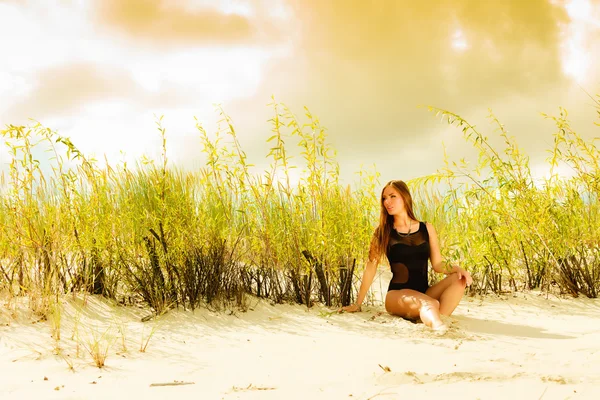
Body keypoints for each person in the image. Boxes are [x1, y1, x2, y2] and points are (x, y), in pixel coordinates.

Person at [340, 180, 472, 331]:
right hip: (397, 295)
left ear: (405, 197)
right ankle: (438, 325)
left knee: (459, 279)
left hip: (424, 292)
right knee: (430, 304)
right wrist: (358, 303)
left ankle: (432, 317)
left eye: (392, 196)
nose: (387, 202)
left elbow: (437, 265)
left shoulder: (426, 228)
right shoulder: (383, 232)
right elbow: (371, 268)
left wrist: (458, 269)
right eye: (384, 198)